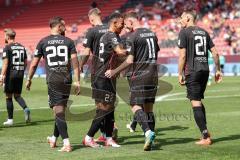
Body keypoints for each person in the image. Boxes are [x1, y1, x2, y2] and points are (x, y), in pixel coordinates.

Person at [105, 11, 159, 151]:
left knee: (135, 105)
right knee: (149, 109)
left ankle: (148, 132)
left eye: (125, 23)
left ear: (130, 22)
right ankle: (151, 142)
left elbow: (129, 60)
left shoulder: (133, 36)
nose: (124, 26)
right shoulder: (152, 34)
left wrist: (114, 71)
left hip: (139, 75)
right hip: (153, 74)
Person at [26, 17, 80, 152]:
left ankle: (67, 143)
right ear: (58, 26)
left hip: (53, 80)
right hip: (66, 79)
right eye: (64, 25)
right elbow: (75, 63)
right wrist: (77, 80)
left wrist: (29, 79)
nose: (66, 28)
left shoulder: (43, 42)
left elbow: (33, 64)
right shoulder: (69, 41)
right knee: (60, 111)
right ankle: (54, 138)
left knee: (58, 112)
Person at [178, 10, 223, 145]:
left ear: (187, 18)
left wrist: (179, 73)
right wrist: (218, 70)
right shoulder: (204, 32)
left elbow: (182, 56)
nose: (180, 21)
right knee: (198, 100)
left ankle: (205, 137)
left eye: (181, 18)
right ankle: (205, 131)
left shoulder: (184, 32)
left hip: (192, 71)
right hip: (205, 70)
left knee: (195, 102)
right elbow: (215, 53)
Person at [82, 12, 126, 148]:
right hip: (102, 76)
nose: (123, 26)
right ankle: (88, 137)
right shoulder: (111, 35)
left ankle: (108, 138)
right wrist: (134, 53)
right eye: (121, 24)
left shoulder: (111, 35)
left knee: (110, 107)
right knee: (104, 108)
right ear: (114, 23)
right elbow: (119, 52)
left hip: (105, 75)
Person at [0, 28, 31, 126]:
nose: (4, 38)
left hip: (10, 75)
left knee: (8, 96)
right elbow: (26, 62)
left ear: (8, 37)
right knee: (17, 95)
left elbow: (5, 64)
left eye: (5, 36)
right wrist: (21, 71)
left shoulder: (7, 47)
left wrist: (1, 76)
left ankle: (10, 120)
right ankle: (26, 109)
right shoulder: (22, 47)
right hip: (20, 74)